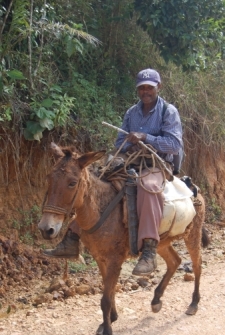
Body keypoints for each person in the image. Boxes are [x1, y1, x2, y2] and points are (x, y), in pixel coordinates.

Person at [43, 68, 184, 276]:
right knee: (94, 184)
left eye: (150, 88)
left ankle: (149, 250)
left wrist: (146, 138)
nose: (145, 91)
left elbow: (174, 144)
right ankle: (72, 239)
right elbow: (120, 142)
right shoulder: (131, 113)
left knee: (150, 188)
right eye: (142, 88)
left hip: (157, 163)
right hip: (130, 161)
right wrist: (128, 144)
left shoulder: (168, 111)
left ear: (158, 88)